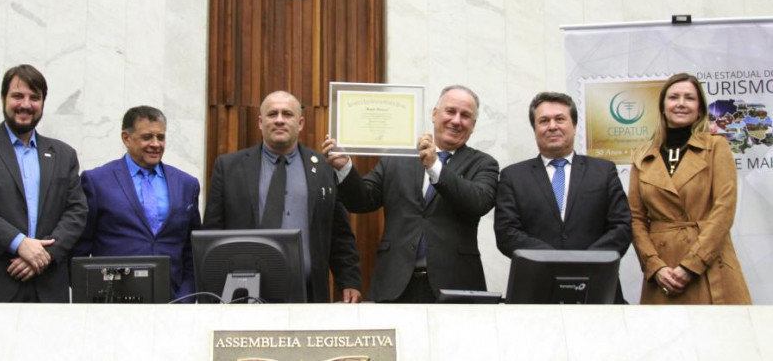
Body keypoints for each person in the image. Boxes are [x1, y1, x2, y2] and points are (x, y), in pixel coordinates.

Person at [323, 85, 499, 303]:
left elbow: (478, 202)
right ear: (435, 115)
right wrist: (344, 168)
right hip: (395, 283)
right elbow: (362, 201)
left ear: (473, 126)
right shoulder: (398, 157)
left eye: (465, 116)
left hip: (455, 285)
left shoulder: (483, 164)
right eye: (450, 111)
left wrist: (435, 166)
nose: (456, 120)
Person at [204, 90, 362, 303]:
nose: (279, 120)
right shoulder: (229, 167)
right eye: (272, 114)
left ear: (301, 123)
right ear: (260, 122)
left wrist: (349, 281)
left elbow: (339, 234)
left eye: (287, 114)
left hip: (308, 294)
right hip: (243, 294)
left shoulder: (324, 169)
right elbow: (213, 233)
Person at [0, 65, 87, 302]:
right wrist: (19, 243)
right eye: (17, 96)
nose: (26, 104)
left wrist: (44, 255)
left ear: (43, 103)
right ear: (3, 98)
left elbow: (76, 211)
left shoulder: (64, 154)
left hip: (47, 287)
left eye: (35, 97)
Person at [493, 92, 631, 303]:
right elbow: (507, 233)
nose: (552, 126)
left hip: (598, 286)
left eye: (560, 119)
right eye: (544, 121)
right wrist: (554, 260)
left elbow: (621, 227)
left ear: (574, 126)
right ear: (535, 129)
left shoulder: (604, 171)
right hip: (534, 290)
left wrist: (585, 262)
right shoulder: (513, 176)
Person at [628, 73, 751, 304]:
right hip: (663, 274)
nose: (681, 103)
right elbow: (635, 218)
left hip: (709, 264)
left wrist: (691, 265)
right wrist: (655, 266)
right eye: (674, 97)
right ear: (663, 107)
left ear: (700, 109)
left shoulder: (716, 147)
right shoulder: (642, 155)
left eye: (689, 98)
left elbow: (724, 211)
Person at [74, 106, 201, 302]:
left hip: (173, 301)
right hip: (113, 301)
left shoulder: (186, 184)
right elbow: (80, 248)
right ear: (126, 138)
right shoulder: (97, 181)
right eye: (147, 137)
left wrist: (187, 297)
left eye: (161, 137)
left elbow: (191, 250)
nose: (156, 144)